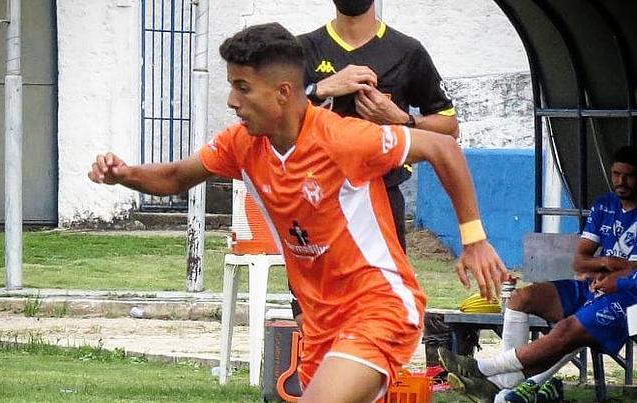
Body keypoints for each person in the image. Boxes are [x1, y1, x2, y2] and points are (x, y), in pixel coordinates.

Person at [88, 23, 506, 403]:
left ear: (283, 92)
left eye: (242, 88)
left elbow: (443, 146)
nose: (232, 101)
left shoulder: (343, 140)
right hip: (320, 322)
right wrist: (124, 174)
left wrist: (474, 240)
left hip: (379, 306)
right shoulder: (241, 144)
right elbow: (176, 177)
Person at [292, 0, 459, 329]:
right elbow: (274, 110)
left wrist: (402, 119)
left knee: (382, 311)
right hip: (316, 197)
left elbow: (449, 128)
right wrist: (320, 89)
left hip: (381, 196)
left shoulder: (407, 51)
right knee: (313, 317)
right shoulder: (302, 49)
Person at [439, 145, 637, 403]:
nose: (621, 181)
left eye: (629, 176)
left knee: (568, 329)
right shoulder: (605, 205)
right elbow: (580, 262)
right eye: (616, 174)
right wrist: (608, 263)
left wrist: (616, 276)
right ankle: (504, 383)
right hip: (593, 286)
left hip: (628, 298)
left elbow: (631, 273)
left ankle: (484, 370)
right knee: (522, 298)